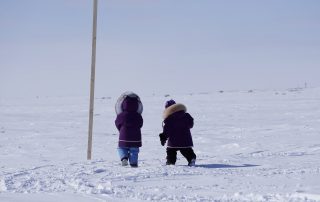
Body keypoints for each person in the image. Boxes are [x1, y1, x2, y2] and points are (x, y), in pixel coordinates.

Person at [159, 99, 196, 166]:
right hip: (185, 140)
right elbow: (191, 124)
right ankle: (191, 158)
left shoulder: (169, 119)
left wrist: (163, 137)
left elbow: (167, 130)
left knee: (171, 151)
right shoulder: (186, 115)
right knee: (186, 150)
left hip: (173, 141)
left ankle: (170, 162)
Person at [115, 92, 143, 167]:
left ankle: (124, 158)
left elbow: (117, 123)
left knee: (122, 148)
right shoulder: (138, 115)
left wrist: (121, 130)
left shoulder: (121, 115)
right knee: (134, 150)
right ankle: (133, 163)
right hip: (136, 136)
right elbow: (140, 124)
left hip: (124, 135)